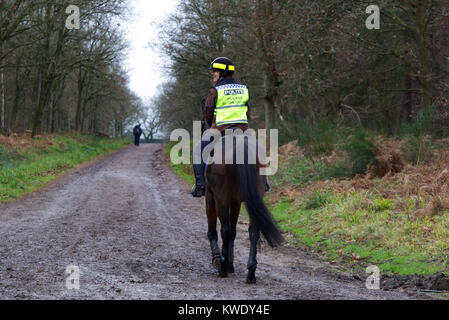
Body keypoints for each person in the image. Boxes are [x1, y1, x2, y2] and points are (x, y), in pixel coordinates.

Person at [191, 57, 251, 197]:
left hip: (220, 132)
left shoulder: (215, 90)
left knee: (198, 152)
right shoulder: (243, 88)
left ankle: (200, 187)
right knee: (257, 151)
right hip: (242, 131)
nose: (213, 73)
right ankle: (264, 183)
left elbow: (208, 114)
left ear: (223, 73)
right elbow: (248, 111)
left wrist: (211, 123)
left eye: (215, 71)